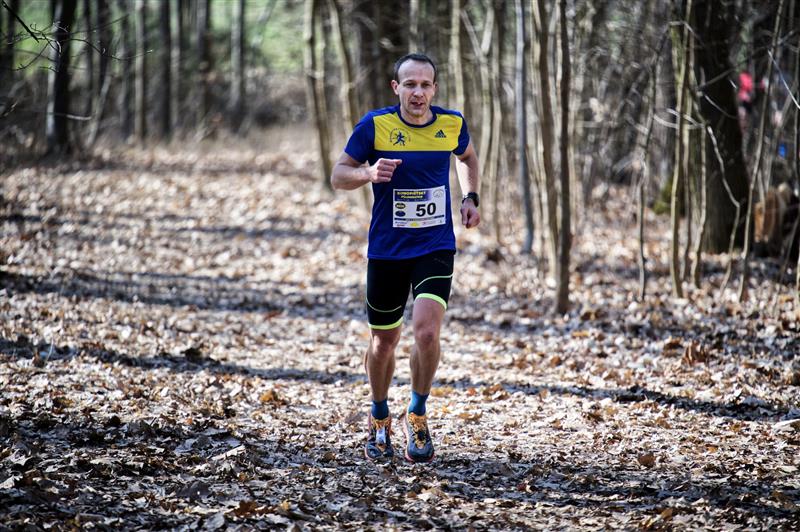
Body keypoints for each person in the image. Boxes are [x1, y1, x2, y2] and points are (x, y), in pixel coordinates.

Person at [330, 53, 480, 463]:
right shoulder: (375, 126)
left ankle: (417, 411)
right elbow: (338, 174)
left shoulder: (451, 124)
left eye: (425, 84)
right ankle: (379, 414)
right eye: (410, 84)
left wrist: (470, 197)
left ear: (434, 88)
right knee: (384, 342)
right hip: (388, 250)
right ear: (396, 88)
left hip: (435, 246)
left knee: (427, 333)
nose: (418, 92)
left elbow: (467, 157)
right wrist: (367, 173)